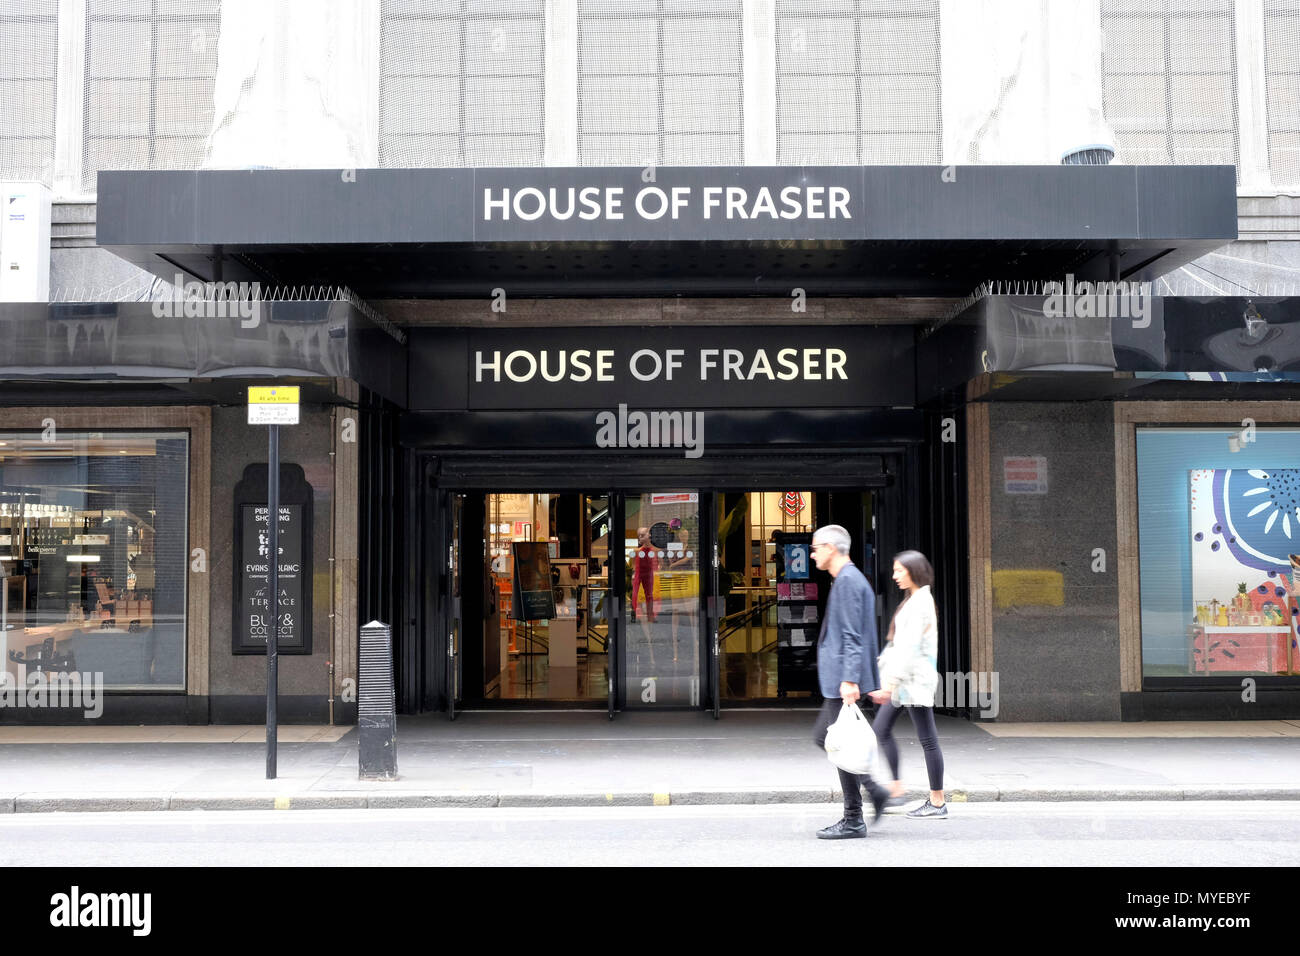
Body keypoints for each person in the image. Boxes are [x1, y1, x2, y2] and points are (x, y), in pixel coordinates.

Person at [809, 524, 888, 839]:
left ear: (830, 547)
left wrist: (849, 679)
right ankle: (872, 793)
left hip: (842, 681)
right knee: (832, 741)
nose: (813, 553)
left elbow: (853, 637)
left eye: (815, 548)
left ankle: (854, 817)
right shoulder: (849, 579)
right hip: (840, 680)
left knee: (836, 743)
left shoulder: (848, 581)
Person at [868, 550, 948, 819]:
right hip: (906, 681)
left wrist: (890, 684)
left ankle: (936, 801)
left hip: (911, 682)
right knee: (886, 730)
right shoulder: (915, 600)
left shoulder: (920, 603)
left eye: (899, 571)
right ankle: (899, 789)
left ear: (914, 571)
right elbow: (899, 646)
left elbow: (910, 649)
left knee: (926, 739)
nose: (894, 576)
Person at [631, 526, 657, 623]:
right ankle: (634, 613)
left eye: (642, 535)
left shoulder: (654, 550)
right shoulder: (637, 551)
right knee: (635, 594)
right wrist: (633, 574)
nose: (640, 538)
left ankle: (650, 616)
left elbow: (658, 563)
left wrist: (657, 570)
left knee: (649, 595)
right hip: (639, 573)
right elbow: (633, 564)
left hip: (649, 574)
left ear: (649, 535)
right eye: (639, 536)